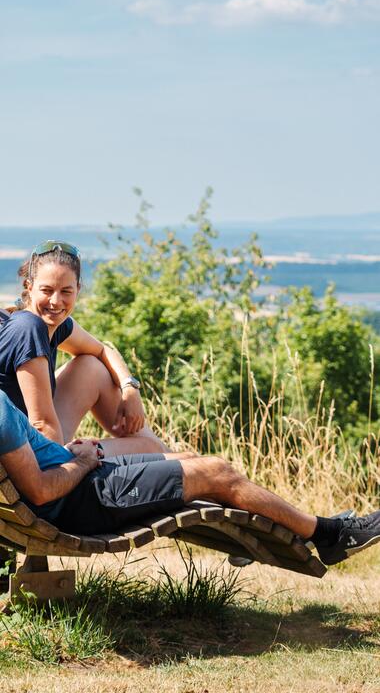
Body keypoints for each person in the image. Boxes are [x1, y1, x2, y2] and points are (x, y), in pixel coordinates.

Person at [0, 390, 379, 566]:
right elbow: (41, 490)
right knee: (216, 472)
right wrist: (83, 460)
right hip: (87, 495)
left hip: (83, 481)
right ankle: (329, 535)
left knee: (189, 459)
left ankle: (266, 538)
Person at [0, 240, 168, 457]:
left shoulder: (55, 324)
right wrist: (67, 467)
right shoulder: (27, 328)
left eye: (66, 291)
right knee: (149, 448)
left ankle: (181, 464)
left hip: (35, 441)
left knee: (90, 365)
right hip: (27, 455)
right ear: (29, 287)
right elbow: (41, 423)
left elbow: (101, 350)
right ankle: (183, 467)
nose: (55, 301)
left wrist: (130, 389)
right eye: (47, 290)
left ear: (78, 289)